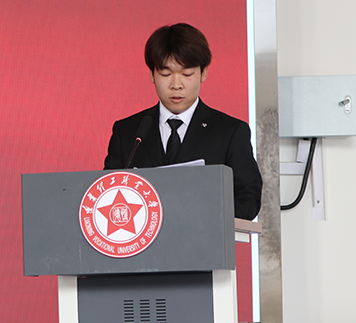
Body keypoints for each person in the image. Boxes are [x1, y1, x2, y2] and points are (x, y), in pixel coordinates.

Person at [104, 23, 262, 220]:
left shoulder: (230, 132)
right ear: (152, 74)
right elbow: (108, 196)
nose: (176, 85)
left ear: (203, 73)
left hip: (204, 237)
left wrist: (203, 218)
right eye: (165, 74)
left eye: (187, 74)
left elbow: (248, 199)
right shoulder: (127, 132)